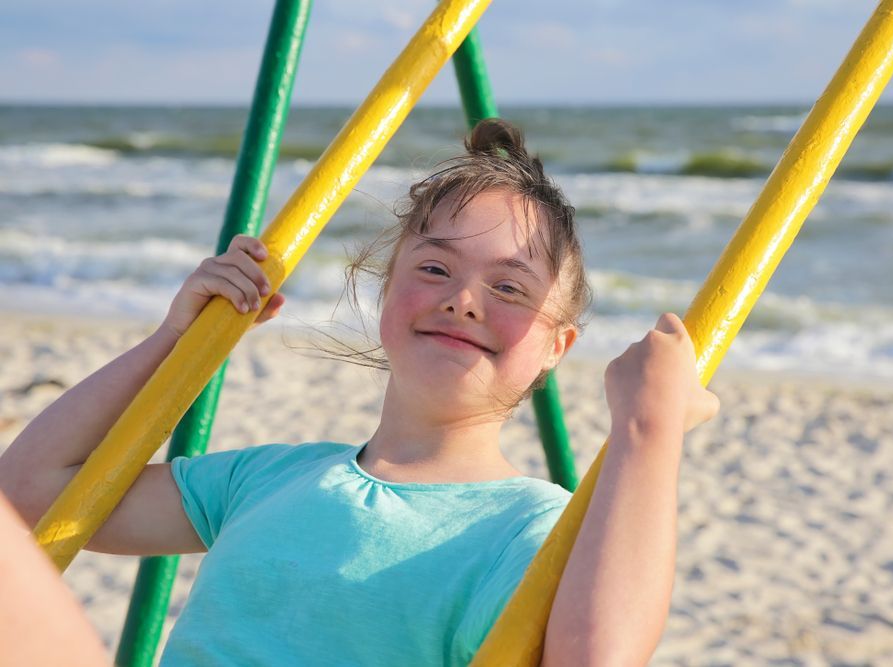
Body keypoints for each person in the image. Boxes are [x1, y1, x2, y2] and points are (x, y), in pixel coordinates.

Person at [0, 119, 719, 666]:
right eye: (434, 269)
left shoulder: (531, 526)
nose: (463, 300)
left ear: (557, 347)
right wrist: (172, 341)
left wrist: (647, 432)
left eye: (509, 288)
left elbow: (595, 656)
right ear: (386, 291)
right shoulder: (268, 478)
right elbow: (29, 497)